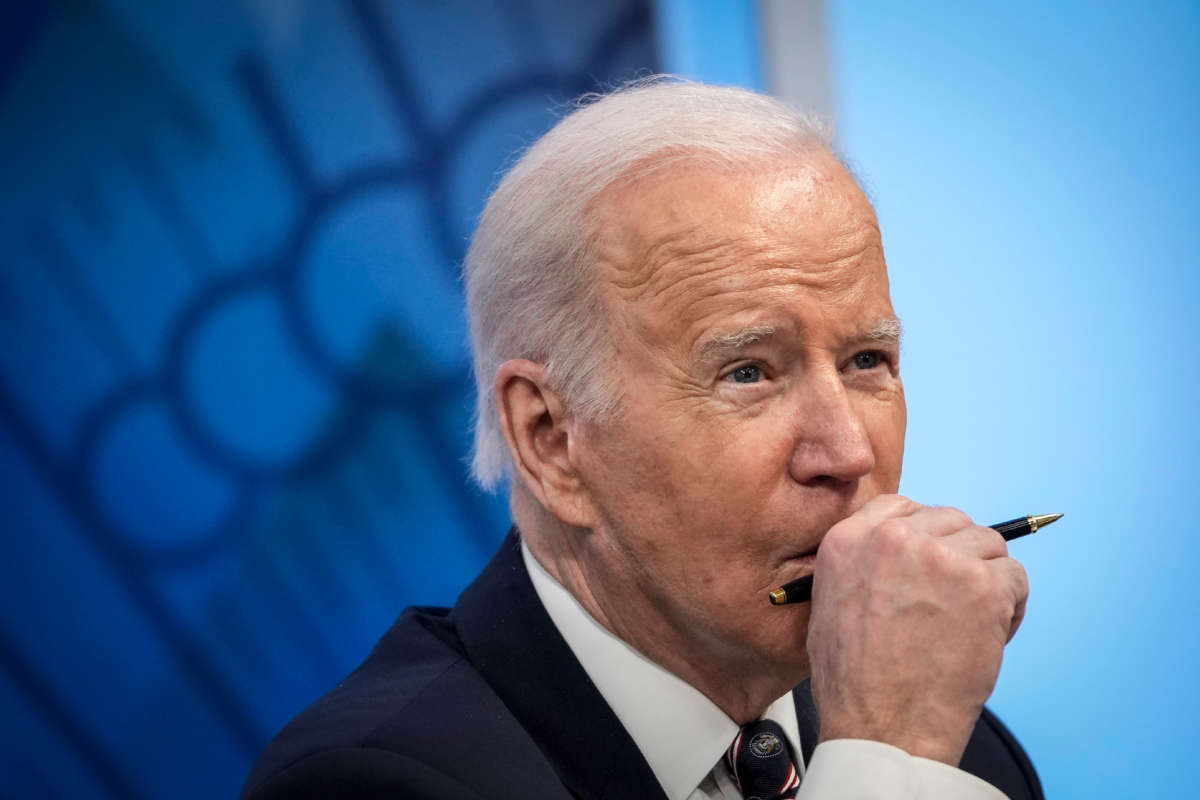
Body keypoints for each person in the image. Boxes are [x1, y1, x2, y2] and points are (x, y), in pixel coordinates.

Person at [242, 78, 1042, 800]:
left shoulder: (965, 759)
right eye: (748, 373)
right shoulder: (372, 783)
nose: (846, 455)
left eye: (868, 360)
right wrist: (884, 767)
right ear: (551, 438)